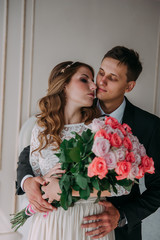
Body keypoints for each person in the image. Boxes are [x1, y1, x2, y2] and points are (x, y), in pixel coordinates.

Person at [16, 46, 160, 240]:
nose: (100, 82)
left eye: (113, 78)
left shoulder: (149, 126)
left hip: (112, 227)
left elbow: (158, 188)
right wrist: (27, 181)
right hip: (55, 222)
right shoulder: (79, 101)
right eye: (100, 73)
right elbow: (33, 150)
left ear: (129, 86)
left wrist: (122, 216)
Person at [19, 60, 124, 240]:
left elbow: (121, 187)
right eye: (84, 80)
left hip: (90, 222)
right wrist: (40, 182)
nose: (94, 86)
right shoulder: (41, 130)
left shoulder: (100, 129)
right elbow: (38, 183)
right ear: (64, 84)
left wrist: (66, 190)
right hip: (50, 223)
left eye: (93, 80)